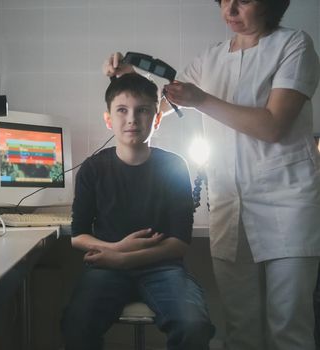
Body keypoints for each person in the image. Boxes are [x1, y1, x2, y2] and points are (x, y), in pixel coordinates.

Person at [104, 1, 320, 349]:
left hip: (287, 204)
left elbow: (274, 126)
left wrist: (201, 99)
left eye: (243, 1)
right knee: (240, 328)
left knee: (289, 329)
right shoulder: (211, 59)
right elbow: (158, 106)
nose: (230, 10)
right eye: (224, 1)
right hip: (229, 205)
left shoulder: (294, 45)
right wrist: (129, 77)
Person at [61, 73, 215, 350]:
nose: (132, 119)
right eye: (122, 110)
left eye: (143, 110)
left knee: (193, 325)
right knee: (76, 323)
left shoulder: (174, 166)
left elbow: (179, 243)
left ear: (156, 119)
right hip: (107, 266)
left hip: (163, 267)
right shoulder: (93, 169)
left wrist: (123, 259)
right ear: (109, 119)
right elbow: (78, 235)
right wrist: (116, 249)